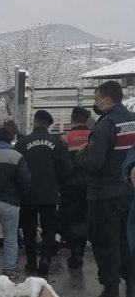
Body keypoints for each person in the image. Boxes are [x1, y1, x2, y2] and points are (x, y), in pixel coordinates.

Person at [75, 80, 135, 297]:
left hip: (104, 194)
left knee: (105, 243)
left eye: (96, 98)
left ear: (107, 100)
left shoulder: (105, 125)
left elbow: (94, 163)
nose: (95, 103)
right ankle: (132, 293)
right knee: (128, 241)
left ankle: (110, 293)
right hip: (130, 193)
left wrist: (80, 156)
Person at [16, 108, 72, 275]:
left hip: (28, 194)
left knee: (29, 229)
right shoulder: (57, 144)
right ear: (48, 125)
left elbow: (16, 168)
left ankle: (31, 262)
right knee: (49, 228)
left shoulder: (22, 143)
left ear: (34, 122)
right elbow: (67, 168)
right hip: (50, 194)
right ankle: (46, 258)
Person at [0, 121, 31, 277]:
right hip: (10, 202)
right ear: (10, 140)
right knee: (10, 238)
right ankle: (9, 269)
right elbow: (25, 181)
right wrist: (20, 195)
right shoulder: (17, 157)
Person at [58, 106, 92, 269]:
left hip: (69, 186)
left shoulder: (65, 138)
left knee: (70, 218)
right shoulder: (93, 136)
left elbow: (61, 163)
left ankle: (74, 250)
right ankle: (80, 250)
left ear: (71, 119)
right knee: (85, 218)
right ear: (86, 120)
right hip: (89, 185)